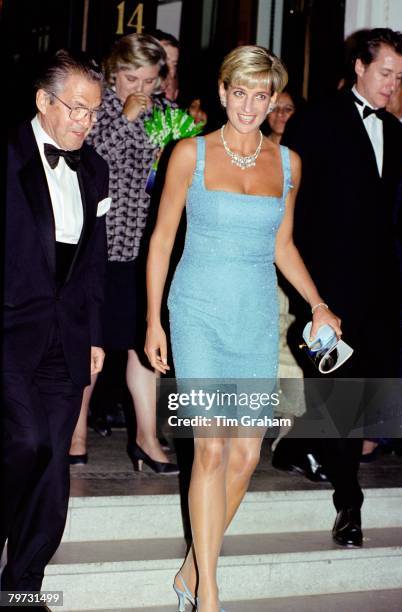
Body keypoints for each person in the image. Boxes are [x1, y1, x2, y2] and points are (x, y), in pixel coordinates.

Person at [144, 45, 341, 612]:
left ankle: (190, 569)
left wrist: (318, 304)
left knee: (246, 458)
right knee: (209, 451)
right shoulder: (191, 154)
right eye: (239, 93)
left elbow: (283, 246)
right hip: (198, 311)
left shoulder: (289, 163)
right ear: (224, 91)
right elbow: (161, 241)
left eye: (262, 96)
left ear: (273, 98)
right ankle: (209, 593)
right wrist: (152, 318)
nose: (250, 106)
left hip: (254, 315)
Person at [282, 28, 402, 546]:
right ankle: (348, 505)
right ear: (359, 66)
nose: (392, 84)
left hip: (379, 287)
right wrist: (312, 297)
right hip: (326, 286)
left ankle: (294, 449)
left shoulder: (397, 131)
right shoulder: (315, 120)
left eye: (400, 77)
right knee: (341, 390)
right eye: (385, 73)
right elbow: (293, 208)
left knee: (357, 395)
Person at [1, 50, 108, 599]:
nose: (85, 122)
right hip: (10, 333)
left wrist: (93, 335)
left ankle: (22, 587)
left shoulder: (95, 168)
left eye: (94, 112)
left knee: (52, 470)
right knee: (24, 443)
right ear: (43, 101)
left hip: (66, 338)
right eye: (76, 108)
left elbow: (93, 261)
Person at [70, 33, 179, 475]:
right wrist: (125, 120)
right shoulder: (97, 110)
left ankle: (146, 439)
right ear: (113, 72)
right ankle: (75, 434)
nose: (140, 87)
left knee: (145, 347)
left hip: (147, 249)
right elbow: (88, 162)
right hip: (97, 245)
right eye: (131, 76)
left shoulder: (169, 116)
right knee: (90, 345)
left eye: (149, 79)